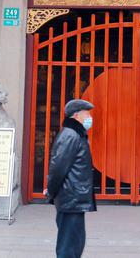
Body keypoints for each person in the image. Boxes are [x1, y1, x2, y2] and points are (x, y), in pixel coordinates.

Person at [44, 98, 96, 258]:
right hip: (70, 199)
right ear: (76, 116)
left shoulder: (75, 134)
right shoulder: (70, 135)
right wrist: (51, 192)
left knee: (75, 241)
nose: (89, 118)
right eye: (87, 114)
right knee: (69, 245)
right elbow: (58, 168)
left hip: (73, 199)